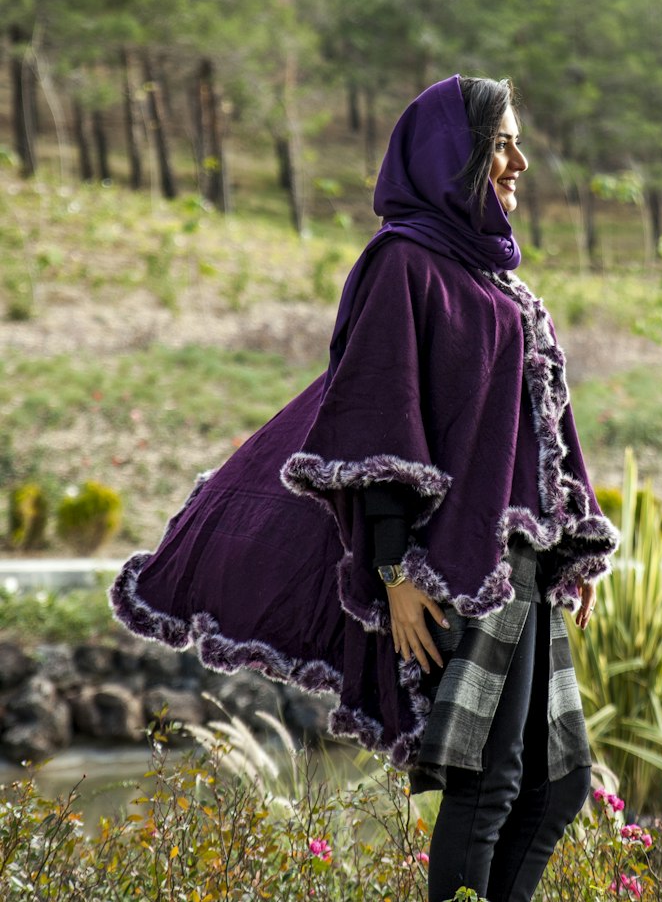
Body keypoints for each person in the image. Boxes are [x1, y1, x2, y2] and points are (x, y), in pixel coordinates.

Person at [110, 75, 618, 900]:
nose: (519, 161)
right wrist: (392, 572)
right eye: (501, 145)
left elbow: (532, 431)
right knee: (488, 781)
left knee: (557, 784)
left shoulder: (497, 281)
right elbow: (376, 417)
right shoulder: (404, 264)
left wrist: (569, 553)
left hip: (521, 564)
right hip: (453, 565)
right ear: (454, 156)